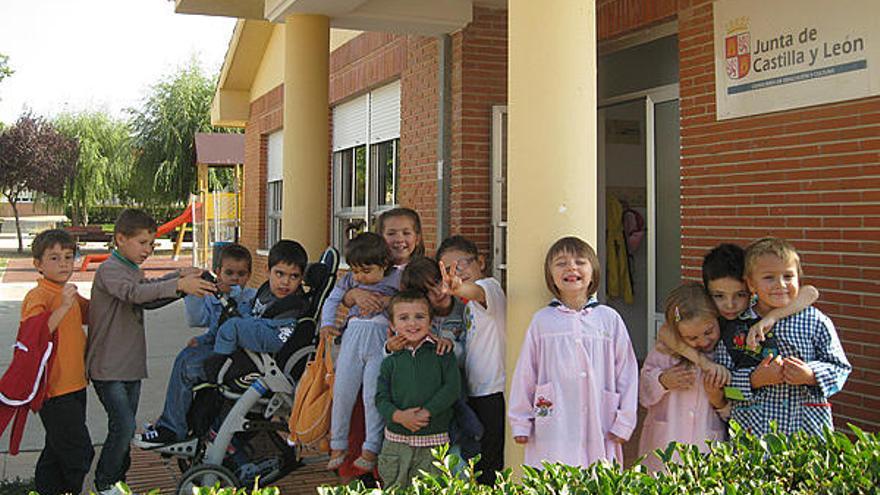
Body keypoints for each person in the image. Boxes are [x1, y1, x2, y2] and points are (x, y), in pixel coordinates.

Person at [88, 209, 215, 495]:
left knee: (124, 427)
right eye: (143, 243)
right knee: (123, 426)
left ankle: (117, 480)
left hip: (128, 365)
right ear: (120, 239)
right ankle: (105, 482)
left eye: (152, 244)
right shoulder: (110, 270)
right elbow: (135, 294)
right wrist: (178, 283)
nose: (148, 249)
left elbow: (147, 295)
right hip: (107, 366)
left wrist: (179, 281)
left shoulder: (131, 269)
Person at [508, 236, 638, 468]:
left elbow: (626, 373)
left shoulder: (609, 320)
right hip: (555, 424)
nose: (571, 267)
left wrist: (624, 421)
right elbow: (526, 374)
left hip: (601, 422)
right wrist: (521, 421)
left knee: (597, 476)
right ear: (551, 276)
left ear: (593, 271)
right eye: (561, 263)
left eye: (580, 262)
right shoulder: (543, 321)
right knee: (554, 477)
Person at [717, 237, 851, 436]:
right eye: (769, 277)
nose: (780, 284)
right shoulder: (736, 327)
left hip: (806, 434)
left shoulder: (815, 321)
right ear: (751, 284)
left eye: (788, 276)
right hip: (753, 436)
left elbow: (840, 368)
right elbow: (724, 387)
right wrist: (753, 380)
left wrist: (810, 375)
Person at [136, 243, 257, 447]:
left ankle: (173, 428)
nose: (235, 278)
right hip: (219, 348)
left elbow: (242, 328)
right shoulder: (214, 296)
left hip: (237, 356)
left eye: (241, 274)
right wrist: (193, 294)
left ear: (249, 275)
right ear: (218, 273)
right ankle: (175, 421)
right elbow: (199, 320)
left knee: (187, 367)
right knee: (185, 355)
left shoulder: (251, 298)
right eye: (229, 273)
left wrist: (234, 300)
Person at [336, 208, 425, 480]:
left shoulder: (419, 271)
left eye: (406, 233)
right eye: (391, 233)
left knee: (388, 415)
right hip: (363, 352)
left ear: (418, 238)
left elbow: (424, 306)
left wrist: (390, 304)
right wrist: (353, 295)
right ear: (379, 238)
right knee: (358, 411)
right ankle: (355, 473)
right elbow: (342, 297)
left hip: (402, 362)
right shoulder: (363, 271)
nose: (399, 240)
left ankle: (387, 475)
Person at [658, 243, 819, 387]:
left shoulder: (755, 312)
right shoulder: (706, 312)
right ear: (707, 293)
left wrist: (773, 317)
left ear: (751, 285)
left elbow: (811, 292)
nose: (730, 305)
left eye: (740, 294)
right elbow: (665, 332)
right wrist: (704, 363)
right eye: (719, 296)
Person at [20, 230, 93, 495]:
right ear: (38, 264)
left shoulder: (66, 292)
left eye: (68, 256)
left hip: (75, 385)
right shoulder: (39, 296)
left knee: (57, 447)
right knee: (79, 452)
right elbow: (34, 334)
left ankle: (46, 488)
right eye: (54, 257)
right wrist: (62, 306)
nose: (63, 263)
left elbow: (93, 312)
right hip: (53, 390)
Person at [321, 232, 401, 471]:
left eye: (366, 271)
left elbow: (411, 300)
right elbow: (332, 299)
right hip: (352, 337)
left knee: (372, 395)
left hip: (380, 338)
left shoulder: (398, 278)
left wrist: (389, 303)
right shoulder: (349, 281)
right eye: (356, 271)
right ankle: (338, 443)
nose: (360, 277)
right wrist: (326, 323)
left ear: (384, 265)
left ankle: (371, 447)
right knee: (343, 390)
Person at [436, 235, 506, 484]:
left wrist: (459, 288)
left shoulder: (490, 288)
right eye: (448, 268)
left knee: (490, 461)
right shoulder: (466, 307)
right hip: (475, 392)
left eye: (462, 264)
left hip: (493, 392)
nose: (457, 272)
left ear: (481, 261)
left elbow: (475, 291)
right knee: (476, 458)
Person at [637, 283, 727, 472]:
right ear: (677, 334)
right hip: (665, 444)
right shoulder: (664, 353)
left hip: (705, 445)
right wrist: (662, 381)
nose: (703, 341)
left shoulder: (722, 356)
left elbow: (732, 408)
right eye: (691, 338)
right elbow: (643, 393)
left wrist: (719, 398)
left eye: (708, 332)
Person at [375, 290, 460, 488]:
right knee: (395, 489)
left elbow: (452, 389)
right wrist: (398, 416)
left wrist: (427, 411)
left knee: (431, 489)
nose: (412, 323)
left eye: (419, 317)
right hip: (396, 443)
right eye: (404, 318)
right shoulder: (391, 360)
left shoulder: (442, 353)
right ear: (393, 325)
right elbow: (380, 398)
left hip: (433, 441)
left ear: (431, 322)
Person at [211, 239, 308, 356]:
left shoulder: (293, 305)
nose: (285, 282)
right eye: (279, 274)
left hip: (271, 343)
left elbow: (277, 339)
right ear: (267, 271)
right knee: (226, 318)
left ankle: (218, 362)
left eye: (294, 276)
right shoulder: (266, 291)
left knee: (231, 327)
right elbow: (248, 307)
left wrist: (241, 322)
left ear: (301, 278)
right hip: (255, 333)